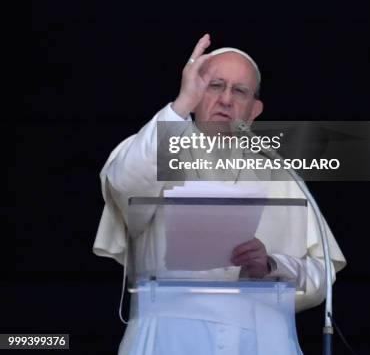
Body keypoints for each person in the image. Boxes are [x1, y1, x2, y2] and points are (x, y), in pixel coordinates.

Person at [93, 33, 346, 355]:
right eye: (215, 86)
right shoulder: (151, 146)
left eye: (239, 91)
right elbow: (126, 185)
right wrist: (180, 105)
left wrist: (270, 266)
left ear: (254, 110)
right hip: (169, 336)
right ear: (194, 92)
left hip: (263, 339)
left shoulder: (281, 172)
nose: (226, 99)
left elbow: (321, 272)